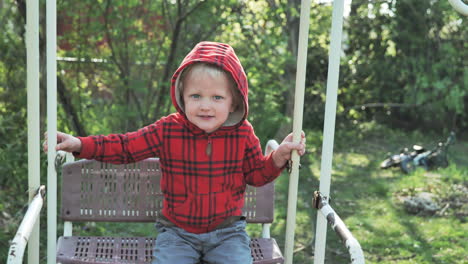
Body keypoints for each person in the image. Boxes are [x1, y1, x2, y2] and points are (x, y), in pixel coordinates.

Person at [44, 41, 306, 264]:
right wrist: (79, 144)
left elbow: (257, 174)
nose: (205, 106)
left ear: (234, 101)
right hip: (178, 233)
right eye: (196, 96)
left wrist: (278, 157)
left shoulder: (242, 133)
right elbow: (124, 147)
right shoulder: (168, 129)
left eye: (217, 98)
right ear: (182, 95)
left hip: (228, 232)